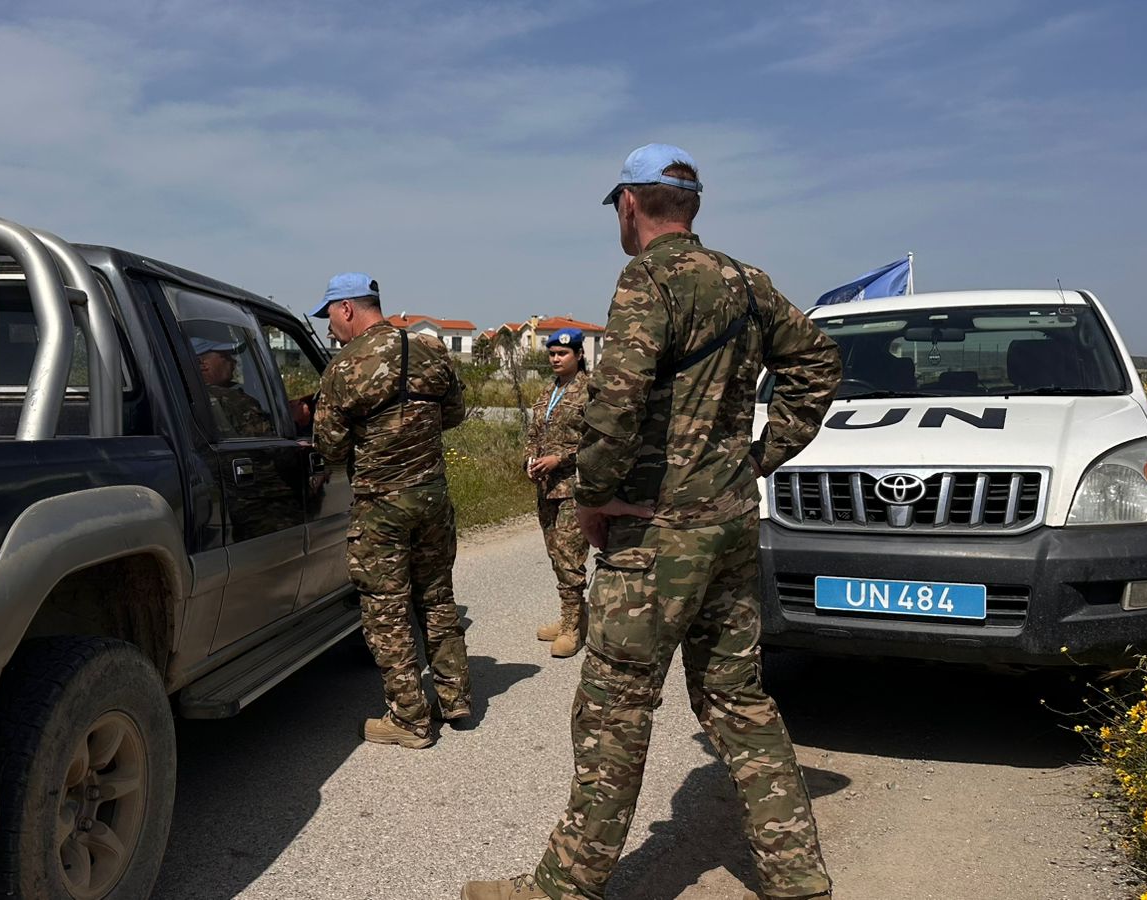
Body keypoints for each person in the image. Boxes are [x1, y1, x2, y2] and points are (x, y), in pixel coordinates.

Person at [463, 144, 843, 900]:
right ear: (691, 206)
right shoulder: (746, 280)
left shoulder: (647, 279)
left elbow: (618, 399)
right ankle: (797, 877)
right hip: (731, 525)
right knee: (736, 697)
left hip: (656, 533)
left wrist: (595, 497)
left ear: (629, 206)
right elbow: (819, 363)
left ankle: (562, 887)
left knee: (614, 706)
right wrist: (758, 459)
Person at [310, 272, 472, 749]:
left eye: (331, 318)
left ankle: (409, 719)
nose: (331, 329)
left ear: (347, 309)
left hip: (381, 506)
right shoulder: (432, 350)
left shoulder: (343, 368)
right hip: (431, 497)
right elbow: (455, 414)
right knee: (437, 597)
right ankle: (455, 697)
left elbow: (331, 448)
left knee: (387, 609)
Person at [525, 327, 590, 659]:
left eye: (562, 353)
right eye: (551, 354)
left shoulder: (589, 392)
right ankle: (573, 613)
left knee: (570, 558)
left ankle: (571, 627)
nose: (555, 359)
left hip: (574, 488)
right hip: (546, 488)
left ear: (578, 355)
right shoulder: (546, 392)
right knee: (555, 555)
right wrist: (530, 460)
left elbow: (599, 441)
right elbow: (533, 434)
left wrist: (560, 458)